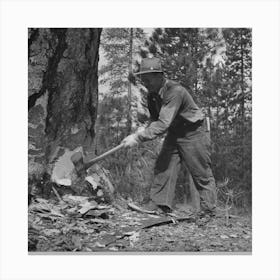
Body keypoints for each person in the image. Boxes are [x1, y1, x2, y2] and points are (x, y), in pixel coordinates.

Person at [122, 57, 217, 215]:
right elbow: (154, 120)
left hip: (193, 131)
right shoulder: (152, 95)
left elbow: (163, 123)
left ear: (160, 76)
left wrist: (138, 138)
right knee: (163, 165)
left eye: (148, 79)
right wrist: (138, 131)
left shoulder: (174, 91)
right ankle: (159, 205)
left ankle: (209, 211)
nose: (145, 83)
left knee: (200, 172)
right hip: (174, 132)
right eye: (143, 79)